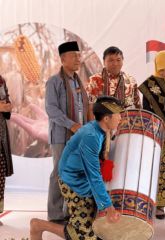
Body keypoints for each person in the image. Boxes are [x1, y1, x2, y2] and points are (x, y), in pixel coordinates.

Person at [30, 96, 121, 240]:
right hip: (73, 180)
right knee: (83, 235)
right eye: (118, 115)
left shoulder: (98, 129)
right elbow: (94, 175)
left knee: (92, 229)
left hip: (80, 176)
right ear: (106, 118)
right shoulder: (91, 136)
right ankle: (38, 225)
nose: (120, 118)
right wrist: (108, 207)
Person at [45, 41, 89, 223]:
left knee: (75, 173)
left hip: (78, 136)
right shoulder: (54, 81)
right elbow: (51, 109)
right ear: (63, 59)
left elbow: (83, 109)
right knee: (59, 174)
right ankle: (54, 215)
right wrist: (72, 125)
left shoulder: (78, 82)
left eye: (79, 55)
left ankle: (70, 212)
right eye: (74, 55)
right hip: (61, 137)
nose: (78, 59)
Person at [139, 50, 165, 220]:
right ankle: (159, 205)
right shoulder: (151, 86)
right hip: (158, 136)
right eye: (161, 70)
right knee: (158, 170)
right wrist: (159, 130)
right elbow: (147, 112)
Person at [86, 46, 141, 113]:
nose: (115, 64)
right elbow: (90, 107)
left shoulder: (131, 81)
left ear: (122, 61)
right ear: (104, 62)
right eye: (111, 60)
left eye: (118, 60)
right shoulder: (95, 80)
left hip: (127, 121)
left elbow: (138, 107)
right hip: (102, 122)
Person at [0, 75, 13, 226]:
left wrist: (8, 106)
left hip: (1, 133)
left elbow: (7, 100)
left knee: (0, 174)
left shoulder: (1, 80)